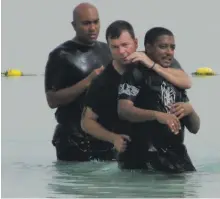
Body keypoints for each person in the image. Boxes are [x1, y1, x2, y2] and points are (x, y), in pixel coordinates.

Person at [81, 20, 193, 159]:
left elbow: (186, 81)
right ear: (108, 48)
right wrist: (112, 138)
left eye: (125, 45)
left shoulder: (154, 58)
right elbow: (87, 122)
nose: (122, 52)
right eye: (115, 47)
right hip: (127, 148)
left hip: (160, 148)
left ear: (135, 42)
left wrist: (152, 65)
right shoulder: (102, 81)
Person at [117, 27, 200, 172]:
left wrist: (190, 110)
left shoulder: (175, 78)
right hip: (143, 159)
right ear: (148, 48)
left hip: (176, 158)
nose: (169, 52)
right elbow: (124, 110)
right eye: (163, 47)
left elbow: (194, 128)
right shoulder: (135, 72)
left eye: (172, 47)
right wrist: (156, 115)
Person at [44, 2, 113, 161]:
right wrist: (88, 81)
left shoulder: (107, 50)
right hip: (73, 140)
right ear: (74, 25)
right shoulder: (61, 55)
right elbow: (52, 100)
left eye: (96, 22)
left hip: (105, 139)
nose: (93, 28)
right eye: (86, 23)